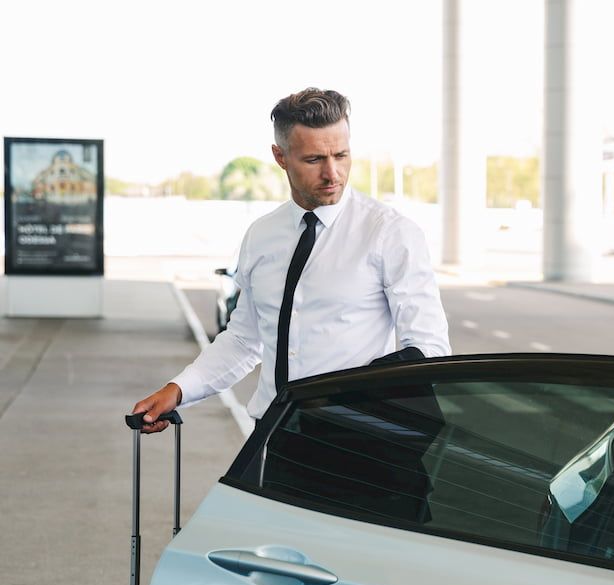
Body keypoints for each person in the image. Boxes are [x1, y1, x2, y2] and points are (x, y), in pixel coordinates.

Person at [132, 88, 451, 432]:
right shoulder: (262, 235)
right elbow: (243, 339)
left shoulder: (390, 234)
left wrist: (351, 395)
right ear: (280, 156)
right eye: (314, 160)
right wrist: (178, 390)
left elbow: (428, 348)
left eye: (341, 155)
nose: (333, 174)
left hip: (359, 438)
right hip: (272, 434)